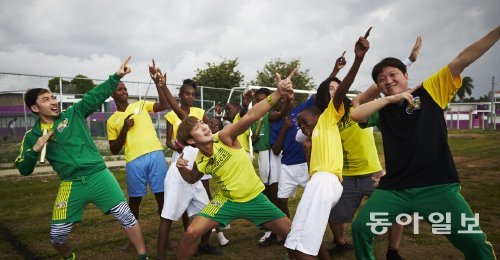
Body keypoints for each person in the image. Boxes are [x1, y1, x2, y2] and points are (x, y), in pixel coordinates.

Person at [349, 26, 499, 260]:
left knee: (474, 242)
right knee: (361, 228)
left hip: (437, 186)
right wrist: (390, 97)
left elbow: (463, 59)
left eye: (393, 75)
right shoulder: (383, 109)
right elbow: (355, 113)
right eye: (381, 79)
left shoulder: (431, 91)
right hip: (395, 189)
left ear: (405, 75)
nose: (387, 81)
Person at [15, 57, 150, 260]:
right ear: (35, 109)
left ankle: (143, 256)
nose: (53, 102)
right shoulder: (32, 136)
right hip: (71, 183)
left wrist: (117, 76)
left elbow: (96, 95)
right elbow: (24, 169)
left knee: (126, 216)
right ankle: (70, 257)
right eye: (46, 100)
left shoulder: (73, 114)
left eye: (53, 97)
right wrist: (36, 148)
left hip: (98, 175)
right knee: (57, 236)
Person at [314, 38, 422, 259]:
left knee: (396, 213)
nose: (335, 92)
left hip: (372, 172)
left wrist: (408, 61)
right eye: (330, 89)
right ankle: (341, 242)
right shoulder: (327, 118)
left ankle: (393, 250)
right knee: (334, 214)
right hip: (346, 175)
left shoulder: (358, 104)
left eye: (338, 87)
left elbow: (381, 83)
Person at [173, 69, 296, 260]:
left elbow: (251, 116)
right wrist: (181, 168)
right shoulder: (200, 159)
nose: (204, 126)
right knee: (191, 233)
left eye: (201, 123)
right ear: (190, 141)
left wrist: (278, 93)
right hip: (226, 201)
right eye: (197, 128)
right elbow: (191, 178)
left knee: (293, 233)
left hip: (254, 198)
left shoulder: (224, 136)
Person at [288, 27, 371, 259]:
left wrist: (357, 60)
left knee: (303, 246)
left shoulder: (327, 117)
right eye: (300, 124)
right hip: (318, 180)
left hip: (326, 180)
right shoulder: (313, 131)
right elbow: (323, 92)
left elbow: (338, 89)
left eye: (305, 121)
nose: (303, 126)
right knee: (295, 242)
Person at [149, 66, 222, 259]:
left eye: (207, 124)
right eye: (200, 125)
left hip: (194, 175)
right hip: (179, 174)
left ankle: (203, 244)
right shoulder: (191, 127)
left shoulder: (212, 136)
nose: (205, 126)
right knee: (168, 215)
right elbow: (174, 107)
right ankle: (160, 255)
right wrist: (162, 85)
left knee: (209, 213)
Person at [107, 79, 169, 250]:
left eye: (125, 88)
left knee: (162, 198)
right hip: (134, 160)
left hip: (155, 154)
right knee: (134, 200)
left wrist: (158, 83)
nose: (124, 91)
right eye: (119, 89)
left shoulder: (141, 104)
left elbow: (164, 104)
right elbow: (114, 149)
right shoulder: (112, 120)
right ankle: (133, 240)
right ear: (112, 94)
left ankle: (166, 238)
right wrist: (125, 129)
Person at [251, 87, 289, 246]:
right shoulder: (253, 118)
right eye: (257, 100)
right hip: (262, 157)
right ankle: (278, 230)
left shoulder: (268, 115)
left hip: (271, 156)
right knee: (269, 194)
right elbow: (254, 141)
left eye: (263, 100)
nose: (260, 103)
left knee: (276, 196)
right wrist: (252, 140)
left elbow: (280, 114)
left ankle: (283, 231)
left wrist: (285, 99)